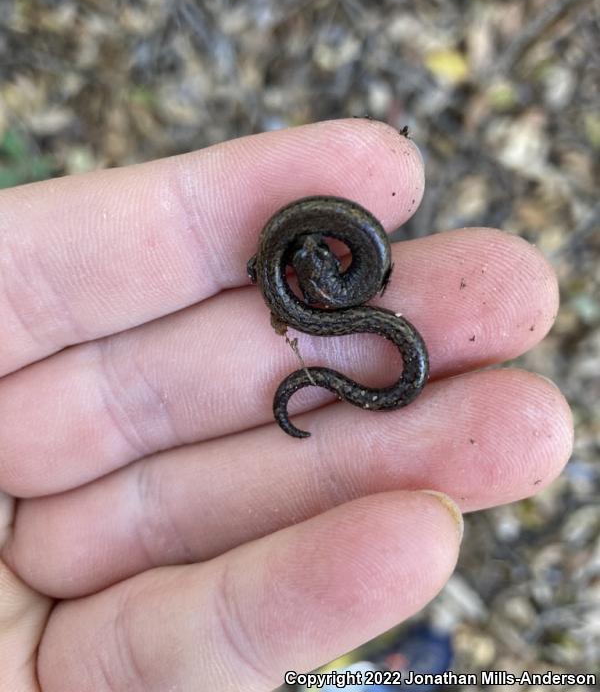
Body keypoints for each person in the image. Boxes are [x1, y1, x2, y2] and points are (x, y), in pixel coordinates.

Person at [0, 119, 572, 691]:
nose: (309, 255)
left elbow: (284, 267)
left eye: (314, 256)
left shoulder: (316, 279)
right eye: (306, 257)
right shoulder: (310, 275)